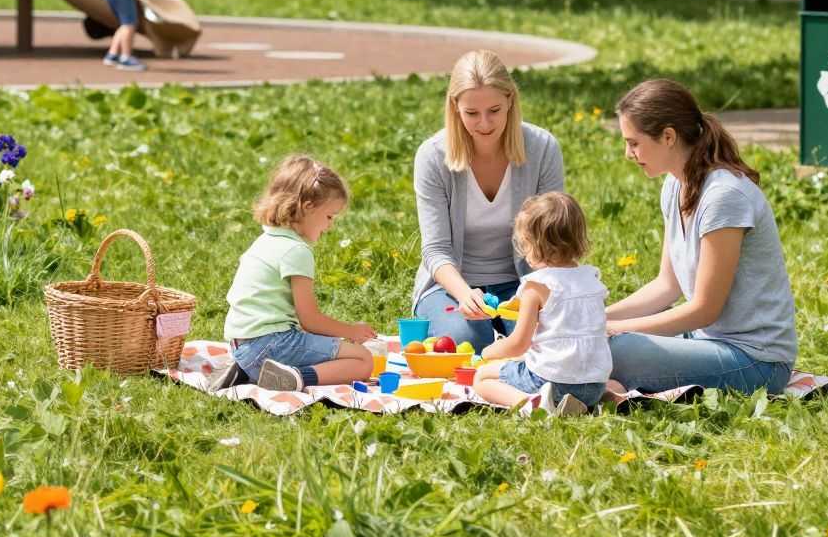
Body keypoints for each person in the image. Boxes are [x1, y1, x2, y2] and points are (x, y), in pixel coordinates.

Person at [606, 78, 798, 394]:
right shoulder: (674, 185)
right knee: (599, 344)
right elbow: (667, 286)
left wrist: (613, 330)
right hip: (707, 342)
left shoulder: (724, 195)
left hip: (757, 362)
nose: (628, 153)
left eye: (634, 143)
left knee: (615, 351)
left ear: (668, 136)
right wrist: (596, 319)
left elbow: (706, 310)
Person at [410, 49, 565, 349]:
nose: (484, 123)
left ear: (511, 100)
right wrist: (464, 294)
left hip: (524, 283)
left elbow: (553, 239)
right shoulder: (432, 156)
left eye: (494, 110)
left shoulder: (542, 148)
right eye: (471, 113)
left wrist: (535, 297)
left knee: (543, 338)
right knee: (465, 339)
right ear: (455, 107)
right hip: (451, 286)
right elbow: (436, 250)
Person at [213, 155, 377, 392]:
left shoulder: (265, 239)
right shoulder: (297, 250)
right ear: (307, 207)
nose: (331, 225)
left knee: (326, 346)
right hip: (271, 345)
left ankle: (247, 371)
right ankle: (294, 377)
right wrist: (350, 331)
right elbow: (310, 320)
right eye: (329, 216)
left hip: (242, 347)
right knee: (362, 359)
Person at [473, 192, 610, 416]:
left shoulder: (536, 286)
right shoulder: (590, 279)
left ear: (533, 243)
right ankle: (584, 404)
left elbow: (518, 345)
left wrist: (488, 352)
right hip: (595, 386)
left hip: (552, 383)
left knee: (482, 377)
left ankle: (532, 405)